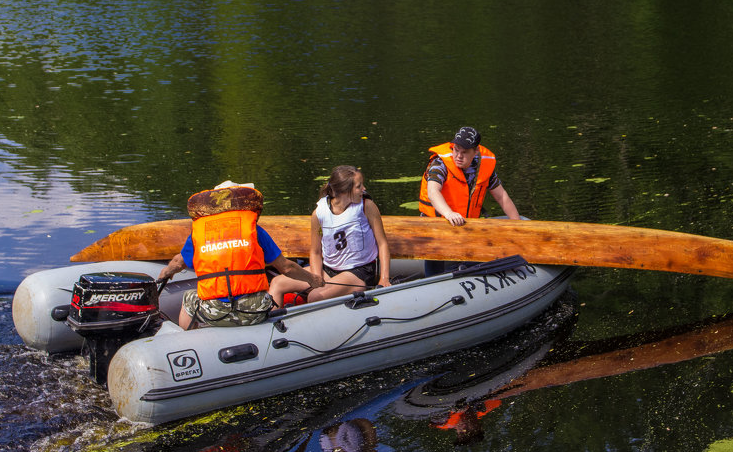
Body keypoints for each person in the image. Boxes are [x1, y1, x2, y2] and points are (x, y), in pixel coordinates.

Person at [158, 181, 321, 328]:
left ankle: (191, 343)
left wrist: (165, 274)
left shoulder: (198, 234)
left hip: (215, 313)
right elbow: (286, 267)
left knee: (189, 297)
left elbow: (178, 262)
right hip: (254, 311)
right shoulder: (254, 230)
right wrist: (312, 280)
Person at [268, 166, 391, 307]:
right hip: (329, 270)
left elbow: (382, 244)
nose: (364, 189)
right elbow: (315, 251)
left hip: (359, 272)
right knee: (277, 283)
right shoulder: (319, 213)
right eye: (359, 186)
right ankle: (273, 324)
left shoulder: (366, 206)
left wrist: (384, 278)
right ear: (344, 191)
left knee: (315, 296)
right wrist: (316, 277)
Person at [419, 126, 521, 226]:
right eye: (456, 150)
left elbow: (501, 196)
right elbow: (433, 192)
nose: (459, 156)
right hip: (437, 224)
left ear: (475, 152)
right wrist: (449, 213)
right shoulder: (440, 164)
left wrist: (518, 224)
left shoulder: (483, 166)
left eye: (465, 152)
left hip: (466, 224)